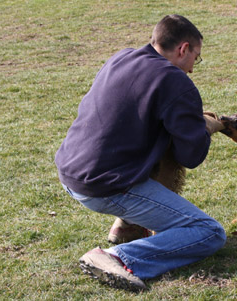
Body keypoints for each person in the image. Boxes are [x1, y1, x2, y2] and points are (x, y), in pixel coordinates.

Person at [54, 14, 226, 291]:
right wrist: (204, 128)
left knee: (152, 144)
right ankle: (116, 258)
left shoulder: (121, 57)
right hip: (106, 185)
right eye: (196, 57)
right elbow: (190, 157)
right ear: (183, 49)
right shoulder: (176, 81)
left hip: (70, 170)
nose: (193, 68)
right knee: (209, 232)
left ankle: (127, 226)